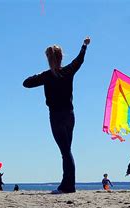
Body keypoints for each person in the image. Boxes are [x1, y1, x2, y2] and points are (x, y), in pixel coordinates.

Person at [23, 37, 91, 195]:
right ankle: (67, 184)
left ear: (48, 59)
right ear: (61, 58)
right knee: (67, 150)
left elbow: (26, 83)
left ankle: (68, 186)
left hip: (57, 116)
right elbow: (79, 61)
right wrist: (84, 46)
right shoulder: (67, 71)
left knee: (65, 151)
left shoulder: (47, 76)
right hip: (69, 115)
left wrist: (42, 75)